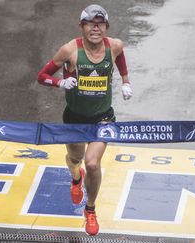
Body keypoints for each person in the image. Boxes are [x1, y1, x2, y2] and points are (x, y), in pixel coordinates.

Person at [37, 4, 132, 236]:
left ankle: (90, 210)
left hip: (103, 119)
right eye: (90, 23)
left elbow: (120, 60)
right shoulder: (69, 50)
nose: (95, 28)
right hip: (75, 119)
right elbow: (42, 76)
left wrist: (126, 81)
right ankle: (76, 179)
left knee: (92, 163)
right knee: (76, 158)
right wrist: (60, 82)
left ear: (106, 27)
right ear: (82, 27)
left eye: (100, 24)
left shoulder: (115, 46)